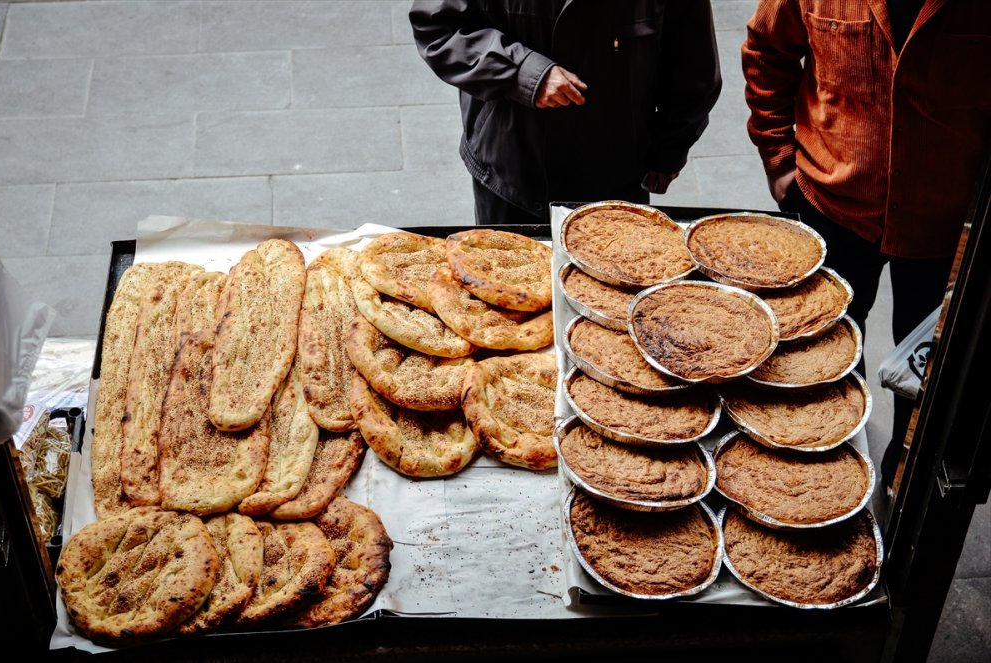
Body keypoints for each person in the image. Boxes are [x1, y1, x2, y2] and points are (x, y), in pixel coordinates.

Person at [741, 0, 991, 492]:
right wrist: (778, 155)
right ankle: (829, 467)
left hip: (947, 222)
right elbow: (767, 48)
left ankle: (903, 479)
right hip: (833, 203)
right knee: (821, 351)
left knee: (931, 374)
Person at [408, 0, 722, 225]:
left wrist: (668, 151)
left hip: (615, 175)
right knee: (503, 288)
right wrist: (521, 72)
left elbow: (694, 66)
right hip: (511, 168)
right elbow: (438, 27)